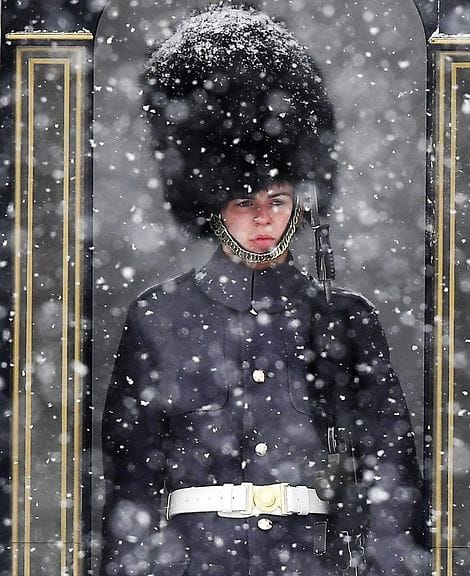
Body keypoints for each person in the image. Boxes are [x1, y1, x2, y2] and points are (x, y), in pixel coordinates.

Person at [100, 6, 425, 576]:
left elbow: (387, 463)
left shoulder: (344, 318)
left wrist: (390, 556)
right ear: (214, 206)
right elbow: (132, 473)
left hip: (307, 557)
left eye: (276, 200)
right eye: (243, 202)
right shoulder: (158, 316)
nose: (262, 219)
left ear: (299, 201)